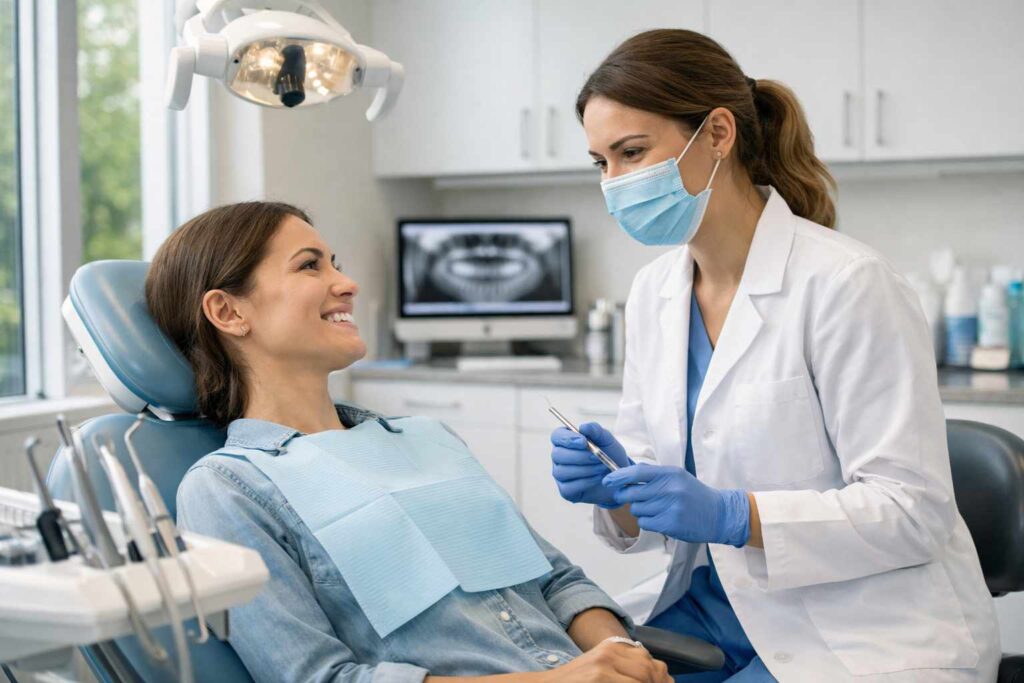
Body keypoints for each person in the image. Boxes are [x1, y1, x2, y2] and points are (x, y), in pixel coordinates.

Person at [549, 29, 998, 682]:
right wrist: (614, 489)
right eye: (601, 163)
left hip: (860, 624)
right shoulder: (654, 294)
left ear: (718, 135)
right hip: (715, 607)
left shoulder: (846, 284)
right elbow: (660, 498)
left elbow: (913, 511)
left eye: (632, 152)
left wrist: (736, 513)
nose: (614, 183)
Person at [146, 201, 672, 683]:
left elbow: (556, 581)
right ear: (228, 312)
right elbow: (318, 680)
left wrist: (623, 657)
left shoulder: (425, 438)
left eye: (335, 262)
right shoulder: (227, 489)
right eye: (311, 266)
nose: (346, 282)